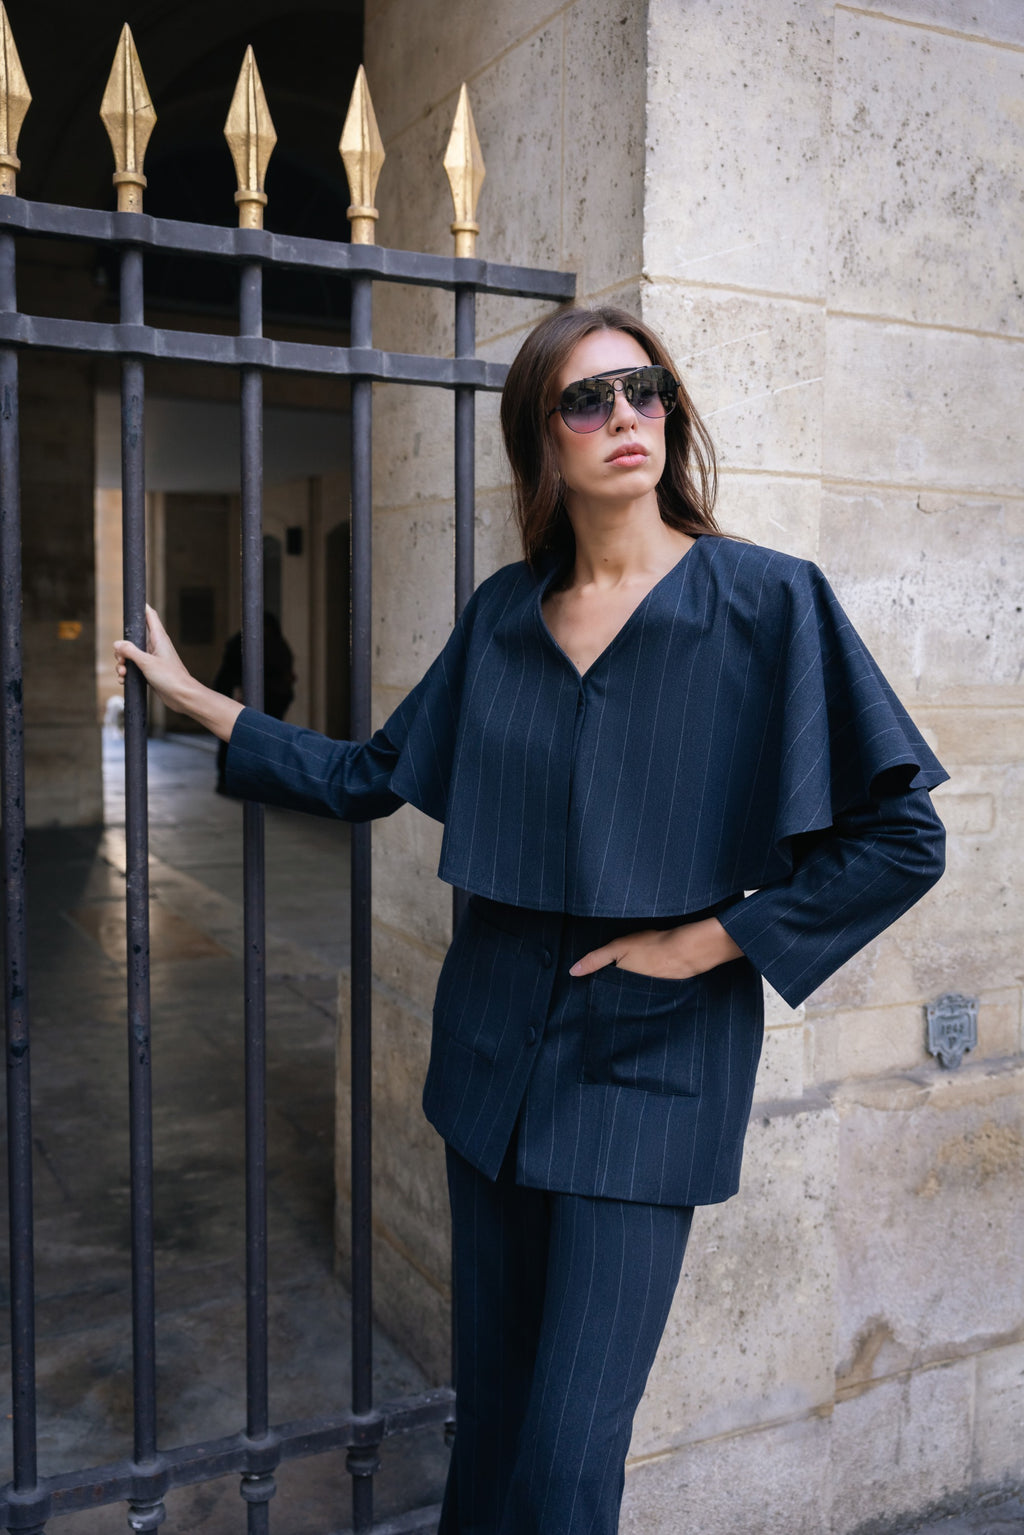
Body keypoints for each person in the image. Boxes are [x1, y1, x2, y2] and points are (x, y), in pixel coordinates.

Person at [115, 305, 947, 1535]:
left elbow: (901, 837)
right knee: (492, 1427)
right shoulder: (505, 614)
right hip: (492, 1053)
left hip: (651, 1063)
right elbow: (367, 777)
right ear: (541, 445)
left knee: (566, 1460)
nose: (624, 418)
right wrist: (203, 704)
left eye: (645, 390)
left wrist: (707, 938)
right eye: (586, 400)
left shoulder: (771, 602)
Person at [210, 612, 295, 794]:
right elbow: (232, 672)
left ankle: (247, 782)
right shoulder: (242, 643)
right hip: (243, 697)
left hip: (269, 698)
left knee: (258, 740)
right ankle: (227, 781)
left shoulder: (273, 644)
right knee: (232, 738)